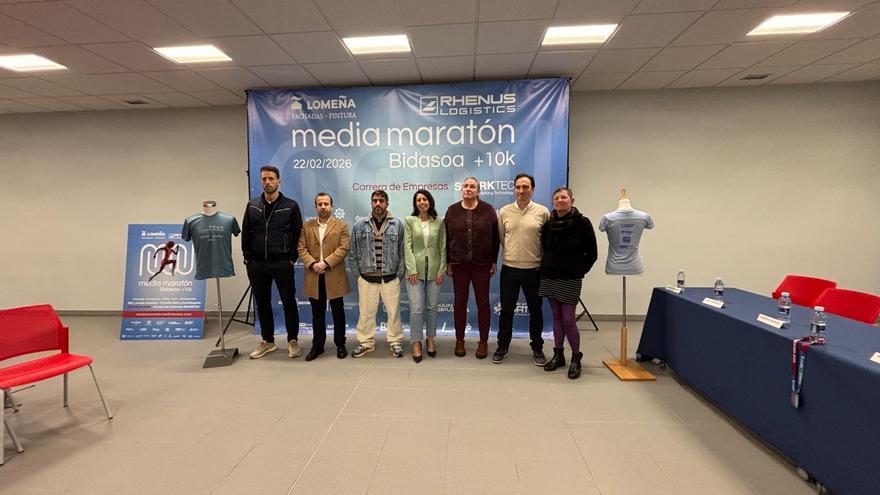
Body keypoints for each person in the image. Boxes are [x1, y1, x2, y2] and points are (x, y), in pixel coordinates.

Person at [241, 165, 304, 359]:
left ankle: (293, 340)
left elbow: (298, 234)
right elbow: (246, 233)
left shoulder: (290, 205)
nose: (267, 182)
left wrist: (291, 259)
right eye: (264, 179)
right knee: (262, 303)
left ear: (278, 181)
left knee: (289, 302)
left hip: (282, 262)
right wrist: (248, 258)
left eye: (271, 178)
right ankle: (267, 341)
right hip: (257, 263)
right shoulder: (252, 205)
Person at [538, 187, 597, 379]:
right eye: (556, 198)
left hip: (570, 278)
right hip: (549, 277)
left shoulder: (583, 223)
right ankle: (558, 355)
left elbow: (592, 253)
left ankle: (576, 357)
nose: (560, 200)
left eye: (564, 197)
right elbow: (543, 248)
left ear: (572, 200)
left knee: (568, 319)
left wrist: (579, 270)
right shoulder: (548, 225)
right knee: (556, 317)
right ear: (552, 202)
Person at [494, 173, 550, 365]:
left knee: (536, 310)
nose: (521, 191)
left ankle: (537, 347)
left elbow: (546, 241)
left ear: (532, 189)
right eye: (518, 187)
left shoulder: (542, 212)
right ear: (514, 189)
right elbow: (503, 238)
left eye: (526, 187)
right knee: (506, 311)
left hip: (534, 270)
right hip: (510, 269)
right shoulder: (504, 212)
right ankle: (503, 346)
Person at [444, 177, 500, 358]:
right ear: (461, 189)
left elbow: (495, 237)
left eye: (472, 186)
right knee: (460, 303)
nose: (468, 189)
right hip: (458, 265)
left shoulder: (488, 210)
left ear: (478, 191)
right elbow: (446, 238)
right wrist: (448, 262)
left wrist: (493, 261)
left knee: (483, 304)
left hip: (482, 265)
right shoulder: (452, 210)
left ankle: (483, 341)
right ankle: (460, 340)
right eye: (466, 186)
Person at [348, 190, 406, 358]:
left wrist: (399, 275)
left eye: (381, 200)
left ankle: (395, 342)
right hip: (367, 278)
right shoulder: (359, 225)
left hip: (390, 277)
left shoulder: (397, 224)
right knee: (366, 313)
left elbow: (403, 252)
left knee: (393, 312)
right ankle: (366, 342)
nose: (378, 204)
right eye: (375, 201)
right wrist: (358, 276)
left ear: (387, 203)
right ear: (371, 203)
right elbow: (352, 253)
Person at [297, 192, 351, 361]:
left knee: (338, 312)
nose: (323, 207)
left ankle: (340, 344)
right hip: (314, 275)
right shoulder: (307, 226)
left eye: (326, 204)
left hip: (334, 274)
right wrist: (313, 264)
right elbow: (301, 248)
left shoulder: (342, 226)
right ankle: (317, 346)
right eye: (320, 204)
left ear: (331, 206)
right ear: (315, 207)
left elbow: (344, 248)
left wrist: (326, 263)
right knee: (317, 314)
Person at [403, 189, 446, 363]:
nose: (422, 202)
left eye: (425, 199)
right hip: (414, 272)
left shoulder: (439, 221)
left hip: (435, 271)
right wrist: (411, 269)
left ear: (430, 201)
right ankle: (415, 342)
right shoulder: (409, 221)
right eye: (418, 200)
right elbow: (407, 246)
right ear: (415, 203)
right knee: (416, 308)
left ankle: (430, 339)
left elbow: (443, 246)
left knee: (432, 307)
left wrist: (441, 269)